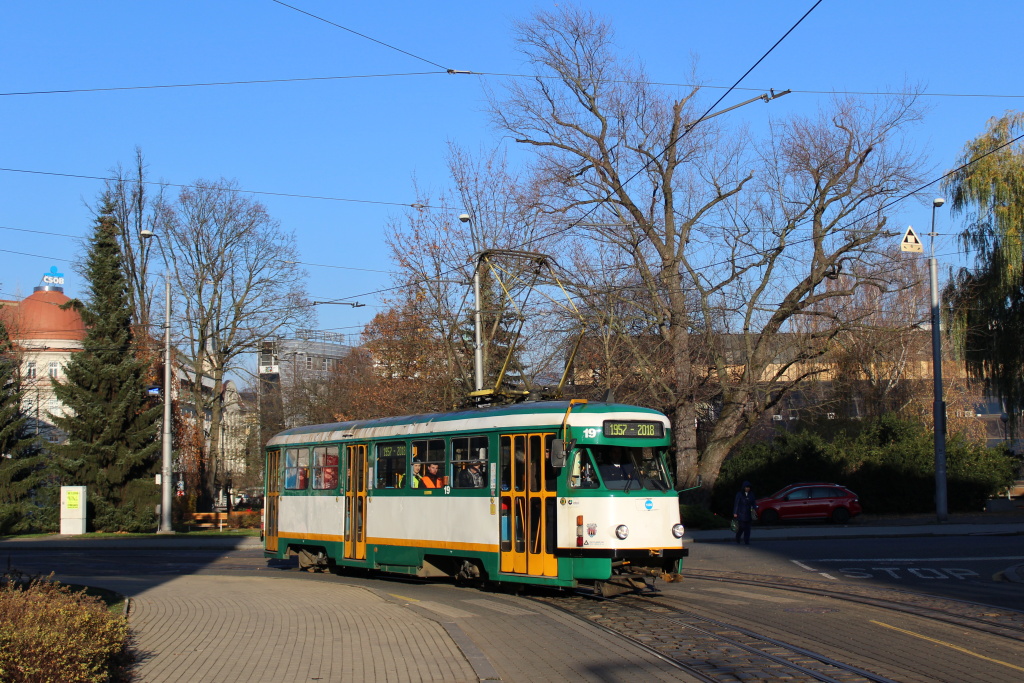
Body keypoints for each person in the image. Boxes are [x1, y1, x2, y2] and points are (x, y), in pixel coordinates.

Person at [733, 481, 756, 545]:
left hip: (748, 513)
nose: (748, 488)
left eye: (749, 487)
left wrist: (754, 508)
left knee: (748, 528)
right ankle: (738, 537)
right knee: (742, 527)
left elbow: (753, 502)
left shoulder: (751, 494)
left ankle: (747, 541)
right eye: (746, 487)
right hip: (741, 513)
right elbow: (736, 504)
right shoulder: (739, 494)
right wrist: (735, 513)